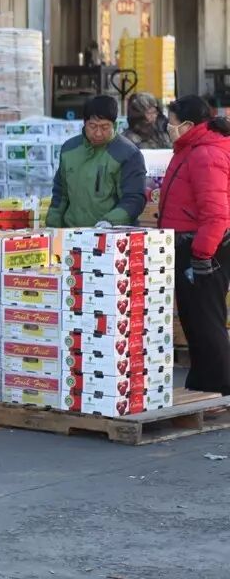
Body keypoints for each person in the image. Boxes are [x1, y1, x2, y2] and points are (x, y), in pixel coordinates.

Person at [158, 95, 230, 394]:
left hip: (203, 249)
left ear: (188, 124)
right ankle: (204, 384)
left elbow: (216, 213)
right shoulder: (191, 148)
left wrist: (202, 254)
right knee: (195, 320)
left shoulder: (205, 153)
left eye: (172, 122)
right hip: (191, 245)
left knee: (206, 321)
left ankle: (221, 386)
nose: (168, 127)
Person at [45, 94, 146, 229]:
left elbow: (134, 198)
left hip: (111, 233)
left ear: (114, 125)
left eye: (105, 127)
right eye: (93, 126)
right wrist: (52, 226)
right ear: (84, 123)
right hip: (72, 232)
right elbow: (60, 194)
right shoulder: (69, 149)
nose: (98, 133)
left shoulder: (128, 154)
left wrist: (110, 222)